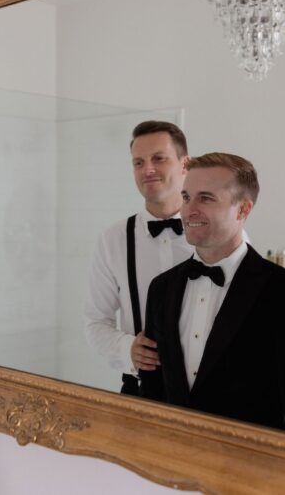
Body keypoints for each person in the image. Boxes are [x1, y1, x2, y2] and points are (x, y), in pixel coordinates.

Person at [140, 152, 285, 430]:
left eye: (205, 198)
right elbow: (153, 388)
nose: (188, 209)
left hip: (252, 461)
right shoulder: (161, 288)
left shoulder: (279, 290)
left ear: (243, 210)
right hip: (171, 455)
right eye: (186, 197)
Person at [84, 120, 193, 394]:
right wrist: (127, 349)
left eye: (159, 158)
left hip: (207, 393)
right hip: (141, 390)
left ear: (184, 165)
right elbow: (95, 321)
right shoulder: (113, 239)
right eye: (138, 162)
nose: (148, 170)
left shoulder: (216, 232)